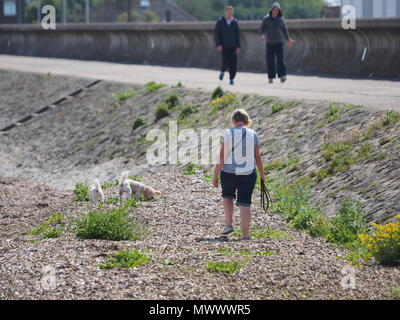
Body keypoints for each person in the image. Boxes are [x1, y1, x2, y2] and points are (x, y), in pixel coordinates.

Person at [213, 109, 266, 240]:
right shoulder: (252, 134)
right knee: (245, 202)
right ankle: (246, 235)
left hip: (229, 172)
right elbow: (257, 156)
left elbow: (222, 155)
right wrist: (262, 174)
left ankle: (229, 224)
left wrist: (215, 174)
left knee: (227, 196)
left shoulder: (227, 133)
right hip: (248, 172)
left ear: (234, 121)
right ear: (247, 121)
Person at [259, 2, 295, 84]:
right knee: (270, 60)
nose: (276, 11)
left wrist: (288, 39)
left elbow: (284, 29)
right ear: (271, 10)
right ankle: (271, 77)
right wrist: (263, 35)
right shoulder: (266, 19)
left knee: (280, 60)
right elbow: (261, 30)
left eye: (277, 10)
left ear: (279, 11)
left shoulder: (281, 19)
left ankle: (282, 76)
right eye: (274, 10)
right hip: (270, 43)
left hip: (279, 43)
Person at [214, 5, 241, 86]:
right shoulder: (220, 22)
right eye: (228, 12)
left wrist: (238, 46)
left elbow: (237, 35)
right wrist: (218, 44)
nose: (229, 13)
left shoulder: (235, 22)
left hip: (233, 46)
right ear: (225, 12)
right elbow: (217, 34)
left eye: (231, 12)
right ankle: (222, 71)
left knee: (233, 63)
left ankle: (232, 79)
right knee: (225, 62)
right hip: (224, 46)